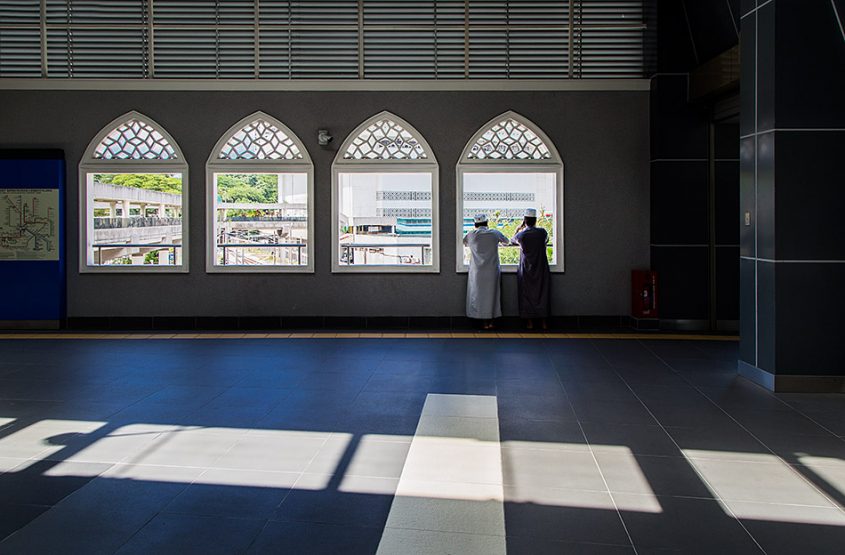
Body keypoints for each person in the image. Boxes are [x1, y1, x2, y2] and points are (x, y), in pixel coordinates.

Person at [463, 213, 510, 330]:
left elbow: (464, 243)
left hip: (477, 271)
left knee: (478, 295)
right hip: (492, 270)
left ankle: (481, 321)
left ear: (475, 224)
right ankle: (491, 321)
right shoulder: (494, 233)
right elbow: (507, 241)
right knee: (492, 295)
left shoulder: (471, 235)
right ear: (487, 223)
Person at [512, 208, 551, 330]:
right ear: (535, 220)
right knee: (542, 293)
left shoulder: (522, 234)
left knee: (526, 294)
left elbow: (513, 240)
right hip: (541, 267)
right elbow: (546, 240)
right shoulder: (542, 232)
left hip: (526, 269)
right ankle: (544, 322)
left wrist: (519, 228)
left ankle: (529, 323)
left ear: (525, 221)